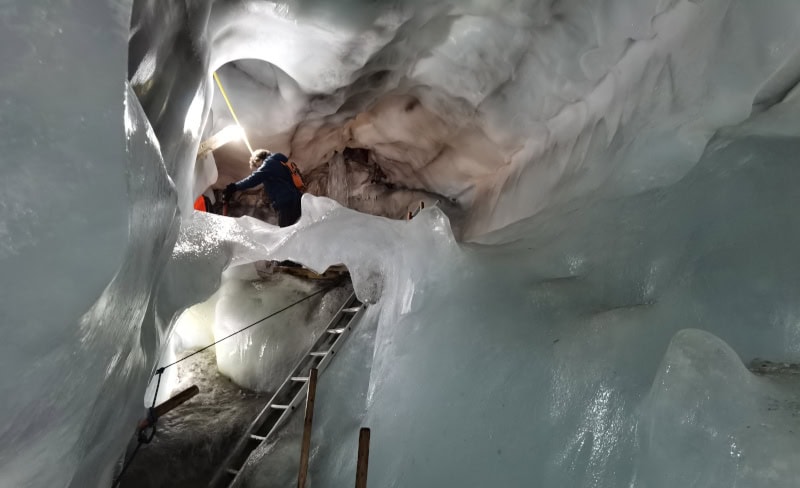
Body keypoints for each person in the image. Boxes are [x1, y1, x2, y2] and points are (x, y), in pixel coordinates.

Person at [223, 149, 302, 227]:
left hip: (286, 203)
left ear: (258, 160)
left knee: (287, 231)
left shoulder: (269, 163)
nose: (258, 168)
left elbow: (254, 179)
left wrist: (234, 187)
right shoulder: (280, 161)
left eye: (257, 166)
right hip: (296, 198)